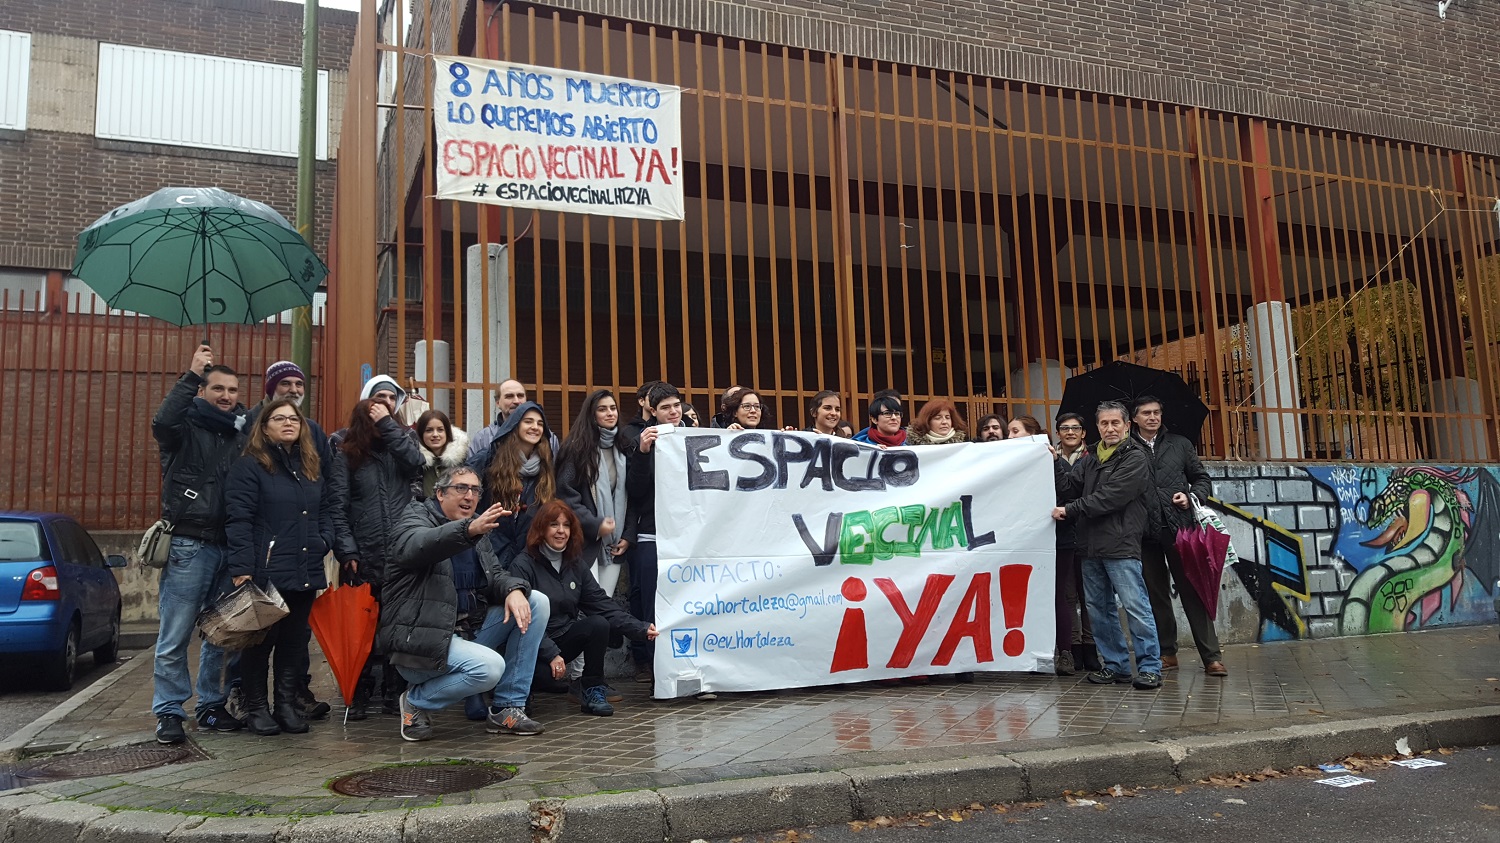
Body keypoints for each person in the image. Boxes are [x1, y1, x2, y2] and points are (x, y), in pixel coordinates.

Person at [384, 467, 550, 741]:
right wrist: (467, 529)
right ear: (439, 493)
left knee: (536, 601)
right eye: (461, 488)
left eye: (475, 490)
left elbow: (495, 575)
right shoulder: (414, 518)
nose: (470, 496)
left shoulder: (475, 528)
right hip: (421, 645)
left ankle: (507, 708)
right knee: (490, 667)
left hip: (466, 635)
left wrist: (512, 589)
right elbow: (417, 546)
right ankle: (415, 701)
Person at [149, 346, 249, 744]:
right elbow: (162, 421)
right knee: (174, 635)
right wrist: (190, 374)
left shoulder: (241, 433)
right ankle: (169, 711)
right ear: (203, 390)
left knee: (222, 634)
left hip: (229, 546)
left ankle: (211, 705)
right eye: (218, 388)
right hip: (189, 544)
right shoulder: (183, 426)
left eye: (233, 390)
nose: (227, 396)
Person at [224, 398, 335, 736]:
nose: (288, 423)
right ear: (264, 426)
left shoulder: (310, 466)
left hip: (304, 567)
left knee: (293, 642)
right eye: (278, 418)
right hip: (265, 570)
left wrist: (323, 540)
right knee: (260, 642)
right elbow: (238, 520)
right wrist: (242, 568)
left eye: (293, 419)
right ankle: (257, 708)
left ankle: (285, 706)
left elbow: (326, 509)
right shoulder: (250, 466)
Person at [509, 501, 658, 716]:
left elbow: (603, 605)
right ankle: (520, 692)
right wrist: (550, 653)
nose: (561, 531)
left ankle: (591, 688)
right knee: (536, 673)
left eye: (566, 525)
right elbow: (521, 622)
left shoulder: (575, 564)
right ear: (541, 529)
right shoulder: (522, 565)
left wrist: (641, 628)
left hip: (563, 639)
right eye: (554, 525)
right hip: (531, 645)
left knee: (598, 624)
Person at [1053, 400, 1163, 691]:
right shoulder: (1090, 459)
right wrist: (1053, 462)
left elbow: (1112, 497)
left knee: (1135, 607)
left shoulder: (1135, 458)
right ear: (1098, 427)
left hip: (1121, 545)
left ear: (1127, 426)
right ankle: (1115, 666)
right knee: (1099, 610)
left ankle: (1150, 667)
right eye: (1104, 423)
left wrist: (1070, 510)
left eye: (1116, 423)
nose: (1110, 428)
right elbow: (1067, 488)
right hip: (1090, 546)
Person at [330, 398, 426, 719]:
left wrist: (388, 424)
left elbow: (416, 462)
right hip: (363, 554)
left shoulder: (399, 451)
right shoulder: (347, 455)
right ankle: (356, 692)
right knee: (360, 627)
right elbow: (338, 508)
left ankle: (393, 690)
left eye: (384, 417)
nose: (379, 423)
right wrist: (347, 551)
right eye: (373, 417)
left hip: (400, 552)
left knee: (396, 625)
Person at [1131, 396, 1226, 677]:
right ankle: (1167, 654)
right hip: (1144, 532)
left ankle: (1212, 656)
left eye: (1157, 412)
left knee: (1193, 592)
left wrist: (1191, 495)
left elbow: (1201, 478)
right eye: (1146, 413)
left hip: (1181, 530)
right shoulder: (1127, 447)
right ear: (1134, 418)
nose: (1152, 417)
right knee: (1156, 596)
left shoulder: (1180, 443)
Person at [621, 382, 681, 686]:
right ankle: (659, 669)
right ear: (652, 412)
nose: (673, 412)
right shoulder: (642, 441)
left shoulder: (694, 438)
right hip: (651, 536)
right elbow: (636, 491)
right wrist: (643, 452)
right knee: (651, 605)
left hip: (690, 537)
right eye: (665, 407)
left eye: (676, 405)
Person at [555, 390, 633, 603]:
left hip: (615, 544)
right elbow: (565, 493)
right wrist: (595, 524)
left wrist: (627, 535)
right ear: (591, 414)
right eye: (602, 409)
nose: (610, 413)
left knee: (605, 602)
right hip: (585, 540)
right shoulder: (576, 449)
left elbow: (632, 497)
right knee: (587, 602)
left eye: (613, 408)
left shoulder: (625, 447)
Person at [468, 401, 556, 570]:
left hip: (527, 556)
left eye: (540, 423)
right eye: (528, 421)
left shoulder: (546, 466)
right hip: (488, 551)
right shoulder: (489, 458)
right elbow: (465, 492)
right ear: (515, 425)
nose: (535, 427)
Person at [1054, 412, 1099, 672]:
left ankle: (1091, 646)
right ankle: (1073, 647)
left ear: (1084, 433)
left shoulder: (1093, 459)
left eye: (1075, 428)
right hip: (1063, 535)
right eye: (1064, 428)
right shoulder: (1050, 459)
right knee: (1068, 594)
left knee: (1090, 594)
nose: (1070, 432)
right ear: (1058, 433)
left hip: (1089, 532)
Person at [468, 379, 558, 458]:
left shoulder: (548, 438)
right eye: (509, 396)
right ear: (498, 403)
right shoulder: (483, 438)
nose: (516, 401)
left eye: (520, 396)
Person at [416, 409, 469, 500]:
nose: (435, 434)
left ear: (447, 432)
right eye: (429, 430)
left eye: (440, 430)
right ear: (421, 434)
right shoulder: (415, 461)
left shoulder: (463, 459)